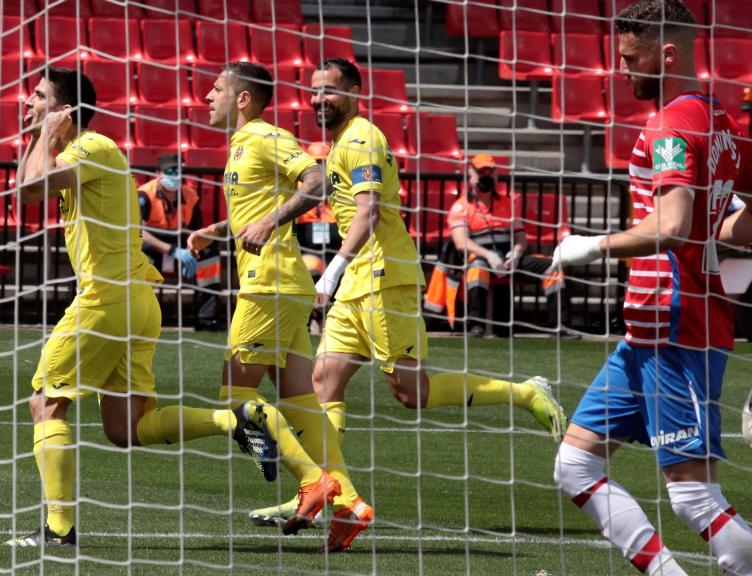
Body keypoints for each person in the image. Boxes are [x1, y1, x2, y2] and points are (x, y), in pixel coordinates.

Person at [245, 57, 567, 548]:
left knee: (410, 393)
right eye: (312, 91)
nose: (318, 100)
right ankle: (330, 495)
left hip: (383, 278)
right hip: (358, 281)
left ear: (354, 91)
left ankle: (525, 393)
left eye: (329, 90)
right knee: (322, 381)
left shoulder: (361, 138)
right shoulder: (337, 147)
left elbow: (370, 212)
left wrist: (330, 269)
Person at [4, 68, 290, 548]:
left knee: (46, 402)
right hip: (133, 300)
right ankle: (233, 419)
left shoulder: (89, 148)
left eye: (38, 97)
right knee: (126, 428)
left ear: (65, 110)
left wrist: (48, 135)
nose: (26, 103)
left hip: (106, 297)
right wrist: (44, 138)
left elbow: (30, 189)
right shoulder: (82, 152)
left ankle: (58, 530)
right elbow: (29, 187)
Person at [549, 1, 752, 574]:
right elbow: (735, 223)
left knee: (693, 498)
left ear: (668, 52)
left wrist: (591, 245)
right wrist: (711, 222)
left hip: (675, 324)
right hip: (647, 334)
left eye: (632, 57)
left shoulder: (669, 125)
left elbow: (669, 227)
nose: (623, 70)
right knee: (575, 466)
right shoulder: (720, 119)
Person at [186, 61, 368, 551]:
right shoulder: (239, 146)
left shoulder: (267, 136)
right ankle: (350, 503)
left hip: (269, 283)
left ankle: (313, 482)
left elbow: (318, 181)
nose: (207, 97)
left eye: (217, 89)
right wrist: (216, 230)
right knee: (300, 401)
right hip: (280, 284)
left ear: (242, 98)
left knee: (233, 395)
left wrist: (269, 221)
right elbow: (254, 214)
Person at [435, 153, 572, 338]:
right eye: (481, 173)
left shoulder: (508, 203)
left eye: (490, 173)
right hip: (481, 259)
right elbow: (461, 243)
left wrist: (516, 253)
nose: (486, 177)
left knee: (552, 267)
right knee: (477, 268)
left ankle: (559, 326)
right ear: (471, 176)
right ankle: (477, 325)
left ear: (496, 176)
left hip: (509, 259)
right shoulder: (461, 207)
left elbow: (521, 237)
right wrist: (489, 256)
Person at [137, 154, 221, 330]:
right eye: (169, 171)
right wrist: (173, 251)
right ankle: (141, 317)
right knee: (139, 254)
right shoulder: (144, 195)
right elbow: (140, 232)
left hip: (181, 245)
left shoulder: (190, 195)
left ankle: (206, 320)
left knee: (209, 253)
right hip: (154, 248)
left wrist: (192, 249)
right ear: (158, 173)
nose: (174, 175)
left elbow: (197, 230)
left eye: (178, 171)